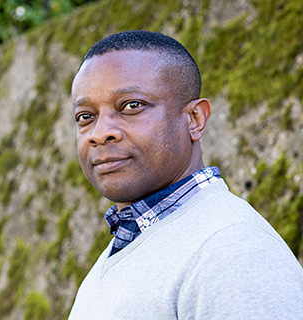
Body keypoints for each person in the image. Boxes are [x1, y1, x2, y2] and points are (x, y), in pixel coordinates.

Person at [68, 30, 303, 319]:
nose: (100, 133)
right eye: (85, 117)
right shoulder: (121, 251)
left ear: (195, 119)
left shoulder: (231, 248)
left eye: (132, 106)